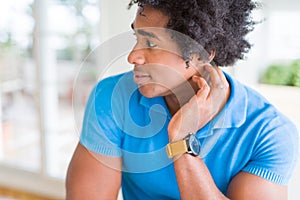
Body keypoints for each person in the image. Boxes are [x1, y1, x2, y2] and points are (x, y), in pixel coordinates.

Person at [66, 0, 299, 199]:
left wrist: (182, 142)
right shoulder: (112, 97)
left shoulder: (270, 133)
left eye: (151, 43)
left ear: (202, 53)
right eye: (136, 38)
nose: (132, 56)